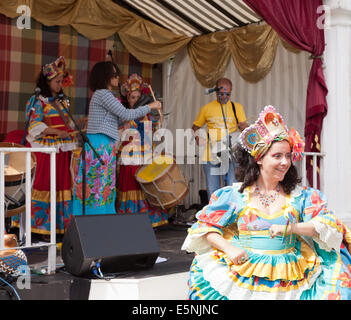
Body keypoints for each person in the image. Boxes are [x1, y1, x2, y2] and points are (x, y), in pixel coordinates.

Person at [182, 105, 351, 300]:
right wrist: (229, 249)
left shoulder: (301, 195)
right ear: (259, 159)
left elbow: (326, 225)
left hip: (291, 277)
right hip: (245, 275)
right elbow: (205, 228)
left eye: (288, 156)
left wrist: (291, 228)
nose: (285, 162)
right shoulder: (235, 195)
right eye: (277, 156)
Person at [72, 63, 162, 215]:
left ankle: (101, 216)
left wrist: (135, 116)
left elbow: (118, 120)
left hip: (103, 143)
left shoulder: (103, 95)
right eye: (114, 75)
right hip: (100, 144)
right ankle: (97, 218)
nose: (117, 77)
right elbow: (126, 115)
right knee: (99, 185)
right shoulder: (103, 94)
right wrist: (150, 106)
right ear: (105, 77)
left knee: (103, 184)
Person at [12, 56, 77, 238]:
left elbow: (68, 125)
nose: (60, 85)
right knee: (45, 185)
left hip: (62, 151)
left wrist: (78, 124)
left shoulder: (63, 101)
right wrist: (57, 133)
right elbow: (34, 127)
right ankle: (40, 228)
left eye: (61, 81)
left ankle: (59, 228)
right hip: (46, 152)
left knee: (62, 186)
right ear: (47, 82)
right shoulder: (37, 102)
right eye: (56, 82)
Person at [115, 74, 168, 228]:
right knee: (132, 183)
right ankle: (131, 219)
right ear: (128, 98)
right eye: (132, 97)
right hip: (129, 155)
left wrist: (159, 117)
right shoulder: (124, 115)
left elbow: (158, 131)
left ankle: (149, 219)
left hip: (145, 154)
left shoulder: (147, 115)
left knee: (146, 184)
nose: (135, 100)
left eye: (138, 97)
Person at [192, 78, 248, 201]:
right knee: (213, 191)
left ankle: (232, 216)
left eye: (227, 94)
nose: (224, 97)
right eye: (221, 94)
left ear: (231, 92)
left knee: (233, 187)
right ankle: (215, 218)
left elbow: (246, 130)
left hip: (230, 153)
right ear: (216, 91)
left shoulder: (236, 107)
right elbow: (195, 127)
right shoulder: (206, 108)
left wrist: (245, 127)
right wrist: (197, 137)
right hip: (210, 154)